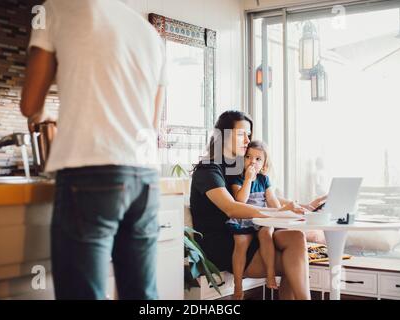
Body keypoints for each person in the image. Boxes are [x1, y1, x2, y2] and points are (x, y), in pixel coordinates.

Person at [20, 0, 167, 299]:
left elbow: (30, 104)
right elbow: (150, 124)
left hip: (92, 174)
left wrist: (42, 117)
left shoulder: (56, 8)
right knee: (142, 296)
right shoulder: (148, 32)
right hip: (146, 180)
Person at [190, 110, 325, 300]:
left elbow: (261, 196)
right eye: (241, 134)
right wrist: (278, 212)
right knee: (294, 263)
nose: (247, 140)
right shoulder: (208, 170)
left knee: (296, 237)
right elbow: (232, 208)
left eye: (248, 135)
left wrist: (304, 206)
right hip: (224, 242)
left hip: (248, 232)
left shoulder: (237, 166)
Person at [226, 140, 281, 299]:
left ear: (264, 164)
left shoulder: (264, 180)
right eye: (248, 157)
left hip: (262, 219)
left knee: (266, 234)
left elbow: (273, 201)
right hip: (244, 218)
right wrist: (248, 180)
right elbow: (240, 200)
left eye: (258, 159)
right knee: (241, 243)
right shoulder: (237, 179)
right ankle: (238, 285)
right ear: (242, 159)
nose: (252, 162)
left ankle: (270, 274)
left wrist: (281, 211)